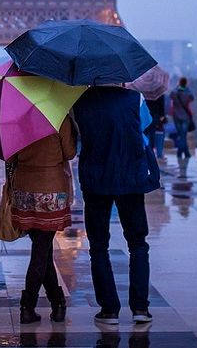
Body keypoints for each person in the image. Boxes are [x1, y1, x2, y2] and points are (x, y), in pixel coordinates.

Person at [74, 85, 160, 326]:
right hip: (130, 176)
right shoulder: (136, 98)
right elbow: (143, 127)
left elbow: (77, 139)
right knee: (138, 244)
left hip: (95, 179)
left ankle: (109, 309)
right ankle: (140, 308)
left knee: (98, 246)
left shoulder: (81, 101)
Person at [10, 115, 77, 325]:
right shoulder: (59, 117)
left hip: (25, 190)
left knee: (43, 250)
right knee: (41, 251)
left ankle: (57, 303)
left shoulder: (18, 118)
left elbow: (11, 156)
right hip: (51, 191)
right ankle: (27, 307)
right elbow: (70, 152)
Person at [170, 77, 194, 159]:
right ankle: (185, 153)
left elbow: (171, 97)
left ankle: (181, 153)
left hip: (176, 116)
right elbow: (191, 100)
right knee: (183, 135)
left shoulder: (174, 92)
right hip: (186, 116)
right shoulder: (188, 93)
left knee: (181, 135)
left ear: (179, 83)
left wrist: (177, 86)